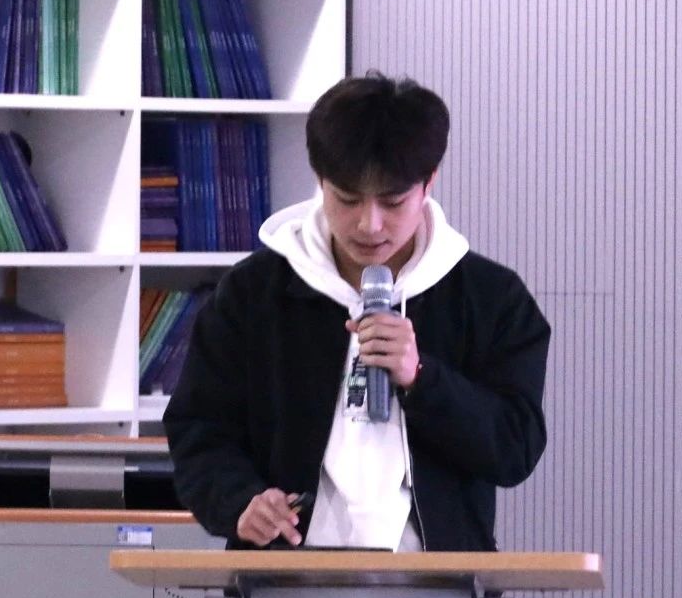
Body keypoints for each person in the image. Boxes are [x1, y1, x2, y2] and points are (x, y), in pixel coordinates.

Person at [163, 72, 550, 552]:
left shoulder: (490, 297)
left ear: (428, 182)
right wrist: (239, 500)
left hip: (437, 576)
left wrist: (423, 378)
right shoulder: (253, 292)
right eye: (347, 199)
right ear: (319, 180)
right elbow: (198, 430)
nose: (369, 224)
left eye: (392, 202)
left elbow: (515, 448)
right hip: (284, 574)